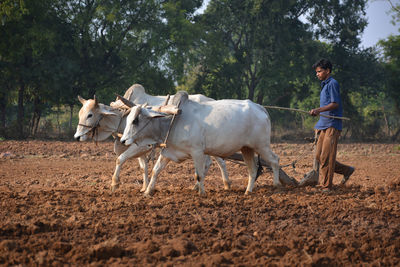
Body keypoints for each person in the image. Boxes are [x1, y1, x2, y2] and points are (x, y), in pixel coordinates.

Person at [309, 58, 354, 192]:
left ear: (327, 71)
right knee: (319, 156)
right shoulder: (324, 85)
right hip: (323, 124)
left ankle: (326, 186)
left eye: (319, 71)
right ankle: (347, 170)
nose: (317, 74)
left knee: (326, 157)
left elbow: (335, 104)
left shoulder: (333, 83)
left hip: (332, 124)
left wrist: (318, 110)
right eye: (316, 72)